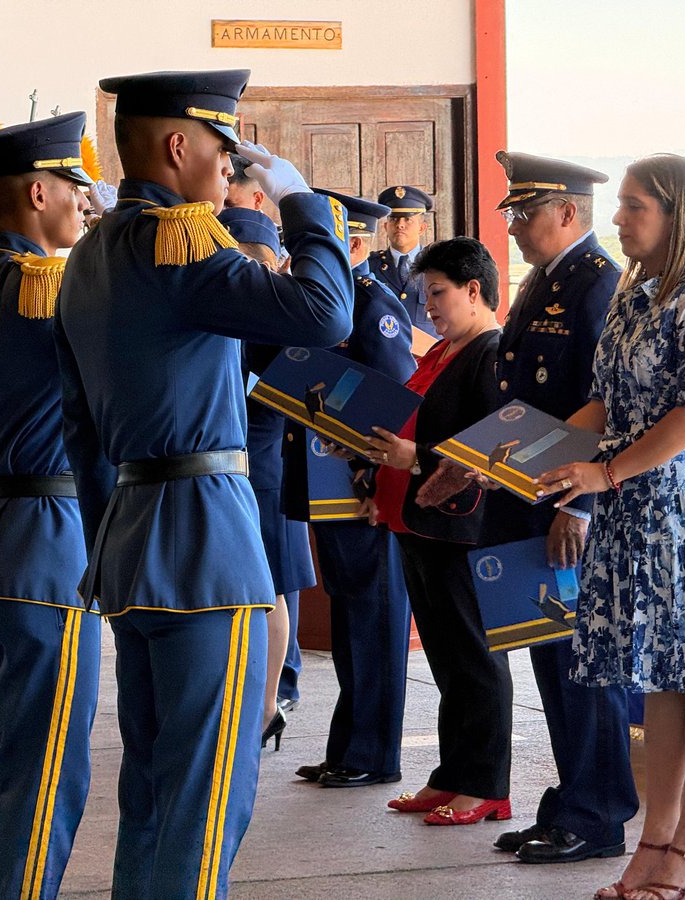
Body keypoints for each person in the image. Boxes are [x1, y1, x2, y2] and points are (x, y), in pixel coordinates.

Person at [55, 69, 353, 899]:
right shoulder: (179, 241)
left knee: (153, 785)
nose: (231, 167)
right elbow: (326, 315)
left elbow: (78, 424)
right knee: (207, 788)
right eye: (222, 149)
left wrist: (107, 538)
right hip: (204, 543)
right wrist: (300, 206)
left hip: (131, 535)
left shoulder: (89, 254)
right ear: (179, 146)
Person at [538, 154, 685, 900]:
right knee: (659, 677)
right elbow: (602, 403)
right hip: (632, 508)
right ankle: (657, 837)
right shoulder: (634, 296)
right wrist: (509, 457)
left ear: (676, 213)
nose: (621, 218)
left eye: (635, 206)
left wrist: (603, 474)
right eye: (623, 205)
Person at [0, 113, 100, 899]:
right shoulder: (45, 287)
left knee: (10, 757)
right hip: (51, 542)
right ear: (39, 191)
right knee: (47, 770)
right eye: (75, 186)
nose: (84, 201)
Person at [482, 153, 639, 865]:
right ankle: (572, 799)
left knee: (584, 661)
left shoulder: (596, 285)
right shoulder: (544, 281)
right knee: (553, 660)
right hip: (530, 497)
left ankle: (600, 813)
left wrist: (577, 507)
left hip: (569, 508)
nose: (512, 226)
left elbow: (606, 407)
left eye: (524, 212)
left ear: (568, 213)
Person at [364, 236, 509, 825]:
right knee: (448, 660)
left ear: (474, 291)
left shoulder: (489, 354)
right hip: (417, 523)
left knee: (474, 655)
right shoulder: (444, 353)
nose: (429, 306)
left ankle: (485, 785)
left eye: (438, 294)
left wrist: (414, 457)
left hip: (458, 527)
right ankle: (451, 775)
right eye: (425, 295)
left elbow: (490, 447)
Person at [290, 188, 415, 788]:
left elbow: (397, 402)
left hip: (362, 491)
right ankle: (348, 747)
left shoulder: (372, 304)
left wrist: (376, 479)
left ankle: (372, 754)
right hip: (329, 487)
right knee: (349, 621)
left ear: (357, 242)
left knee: (374, 622)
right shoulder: (334, 300)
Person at [216, 205, 317, 751]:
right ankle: (249, 698)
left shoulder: (276, 320)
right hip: (229, 474)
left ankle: (269, 702)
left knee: (271, 588)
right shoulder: (222, 315)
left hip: (267, 470)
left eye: (252, 261)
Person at [369, 185, 435, 335]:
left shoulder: (439, 265)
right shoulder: (370, 266)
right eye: (394, 219)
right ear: (386, 226)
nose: (400, 225)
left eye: (408, 220)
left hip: (430, 354)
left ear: (422, 228)